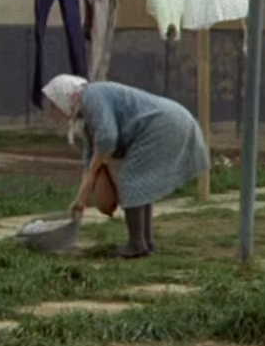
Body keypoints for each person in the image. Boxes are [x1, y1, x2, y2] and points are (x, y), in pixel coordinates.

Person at [41, 74, 209, 259]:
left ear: (66, 95)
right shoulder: (88, 112)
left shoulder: (91, 96)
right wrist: (80, 200)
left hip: (163, 124)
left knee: (132, 180)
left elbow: (108, 137)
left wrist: (98, 164)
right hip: (174, 119)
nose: (54, 109)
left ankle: (136, 245)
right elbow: (90, 159)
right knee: (141, 182)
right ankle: (144, 242)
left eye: (54, 104)